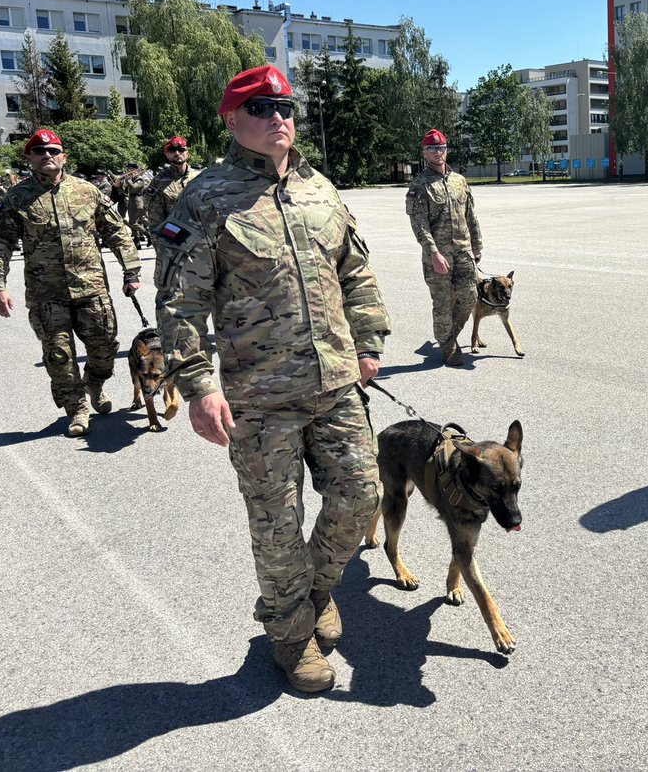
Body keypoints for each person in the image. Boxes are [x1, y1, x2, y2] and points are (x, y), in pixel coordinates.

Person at [154, 65, 391, 693]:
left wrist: (369, 343)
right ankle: (290, 637)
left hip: (337, 383)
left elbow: (356, 273)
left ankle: (315, 591)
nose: (278, 117)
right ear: (231, 120)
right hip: (260, 399)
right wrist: (199, 386)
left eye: (285, 106)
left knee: (362, 496)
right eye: (260, 108)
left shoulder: (320, 189)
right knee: (276, 522)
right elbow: (180, 304)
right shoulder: (206, 198)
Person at [0, 129, 141, 437]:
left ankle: (94, 384)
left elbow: (117, 232)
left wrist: (131, 271)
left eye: (53, 151)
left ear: (64, 157)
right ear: (29, 158)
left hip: (91, 288)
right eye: (40, 152)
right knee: (59, 356)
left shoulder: (87, 191)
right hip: (46, 294)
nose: (48, 156)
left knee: (105, 348)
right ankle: (78, 408)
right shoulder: (17, 198)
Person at [405, 129, 482, 366]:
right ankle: (449, 349)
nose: (437, 153)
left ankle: (449, 338)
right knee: (442, 304)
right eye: (432, 149)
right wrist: (434, 253)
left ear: (446, 149)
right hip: (437, 256)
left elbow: (470, 215)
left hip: (463, 252)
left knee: (470, 296)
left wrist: (477, 245)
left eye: (441, 148)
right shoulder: (420, 185)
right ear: (424, 152)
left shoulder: (459, 181)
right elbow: (419, 225)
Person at [144, 136, 198, 250]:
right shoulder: (158, 182)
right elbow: (155, 220)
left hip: (203, 240)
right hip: (175, 240)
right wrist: (162, 249)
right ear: (167, 155)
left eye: (181, 150)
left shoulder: (199, 177)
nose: (177, 153)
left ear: (187, 153)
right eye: (172, 151)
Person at [121, 162, 151, 249]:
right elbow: (126, 192)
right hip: (132, 200)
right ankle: (153, 230)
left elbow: (134, 187)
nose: (127, 171)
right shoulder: (132, 178)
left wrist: (128, 180)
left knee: (133, 223)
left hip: (138, 201)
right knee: (142, 219)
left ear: (134, 169)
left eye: (129, 169)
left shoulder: (140, 179)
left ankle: (148, 234)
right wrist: (119, 186)